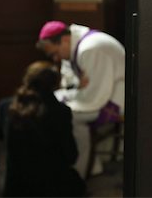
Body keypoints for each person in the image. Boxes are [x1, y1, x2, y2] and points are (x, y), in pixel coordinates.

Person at [35, 20, 125, 178]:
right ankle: (83, 161)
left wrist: (68, 96)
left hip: (117, 99)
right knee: (55, 105)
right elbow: (69, 82)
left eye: (54, 53)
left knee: (68, 116)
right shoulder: (74, 45)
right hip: (100, 92)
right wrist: (75, 88)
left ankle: (81, 169)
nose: (55, 59)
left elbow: (94, 93)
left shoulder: (91, 49)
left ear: (64, 40)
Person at [4, 61, 86, 197]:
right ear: (55, 84)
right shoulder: (60, 111)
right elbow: (71, 156)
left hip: (17, 187)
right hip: (51, 187)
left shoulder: (7, 106)